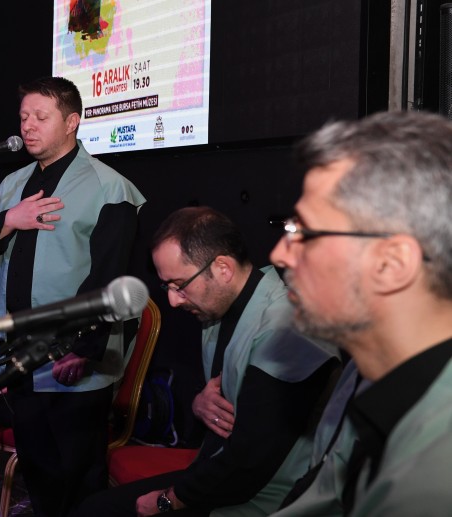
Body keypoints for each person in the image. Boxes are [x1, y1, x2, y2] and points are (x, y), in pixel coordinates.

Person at [74, 206, 338, 517]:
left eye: (179, 285)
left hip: (268, 498)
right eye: (167, 287)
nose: (172, 300)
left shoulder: (288, 327)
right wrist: (199, 404)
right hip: (220, 475)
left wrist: (168, 500)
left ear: (223, 268)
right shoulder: (223, 305)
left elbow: (251, 460)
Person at [0, 76, 146, 516]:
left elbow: (109, 277)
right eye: (24, 117)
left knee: (76, 478)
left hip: (71, 356)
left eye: (41, 117)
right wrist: (11, 219)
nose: (28, 126)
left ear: (71, 122)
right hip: (16, 350)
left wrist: (81, 347)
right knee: (39, 471)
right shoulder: (12, 184)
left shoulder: (109, 188)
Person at [268, 110, 452, 516]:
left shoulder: (429, 484)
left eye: (303, 232)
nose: (279, 254)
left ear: (391, 264)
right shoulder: (399, 393)